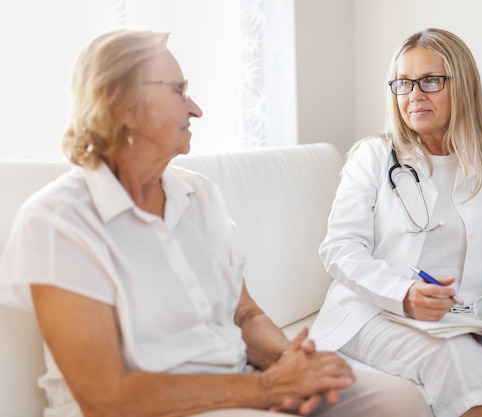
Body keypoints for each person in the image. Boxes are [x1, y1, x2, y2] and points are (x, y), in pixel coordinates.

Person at [0, 29, 425, 417]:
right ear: (121, 106)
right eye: (179, 91)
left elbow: (244, 314)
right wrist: (262, 389)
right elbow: (105, 396)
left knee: (399, 400)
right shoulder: (58, 221)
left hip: (242, 384)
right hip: (149, 408)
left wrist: (291, 363)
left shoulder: (198, 193)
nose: (196, 109)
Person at [309, 28, 482, 417]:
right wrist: (404, 294)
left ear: (464, 86)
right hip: (373, 310)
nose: (414, 95)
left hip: (464, 315)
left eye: (431, 81)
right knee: (457, 356)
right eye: (403, 83)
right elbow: (340, 249)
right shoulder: (374, 157)